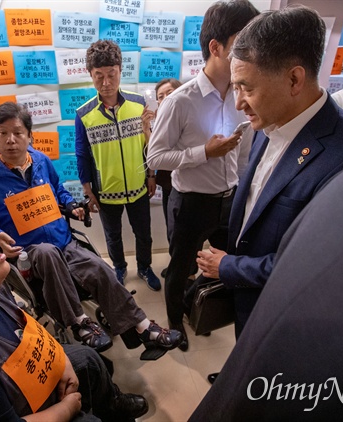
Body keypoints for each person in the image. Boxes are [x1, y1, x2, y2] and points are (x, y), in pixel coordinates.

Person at [196, 5, 343, 382]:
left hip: (290, 320)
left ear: (294, 80)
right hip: (253, 306)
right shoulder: (273, 121)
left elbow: (318, 268)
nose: (238, 102)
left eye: (247, 88)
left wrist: (228, 266)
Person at [190, 153, 343, 421]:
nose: (239, 107)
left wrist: (229, 267)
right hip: (253, 314)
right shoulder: (264, 136)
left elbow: (307, 260)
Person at [0, 101, 182, 356]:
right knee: (46, 252)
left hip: (62, 240)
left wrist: (70, 204)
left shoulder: (41, 160)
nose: (10, 140)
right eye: (2, 134)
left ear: (30, 136)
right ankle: (78, 322)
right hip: (27, 251)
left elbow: (59, 190)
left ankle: (142, 327)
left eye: (18, 133)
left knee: (99, 268)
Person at [0, 206, 151, 422]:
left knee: (87, 358)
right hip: (34, 409)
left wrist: (61, 361)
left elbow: (31, 332)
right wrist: (65, 409)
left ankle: (113, 401)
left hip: (39, 369)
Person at [146, 0, 260, 352]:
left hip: (230, 200)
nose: (254, 51)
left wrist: (243, 191)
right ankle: (175, 322)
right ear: (216, 47)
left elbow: (243, 153)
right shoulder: (181, 100)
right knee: (179, 269)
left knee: (224, 265)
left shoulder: (244, 92)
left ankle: (201, 309)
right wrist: (203, 153)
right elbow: (156, 157)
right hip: (192, 201)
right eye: (245, 41)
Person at [75, 39, 161, 291]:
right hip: (105, 189)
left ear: (120, 70)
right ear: (90, 75)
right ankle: (120, 267)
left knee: (143, 233)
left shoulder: (138, 105)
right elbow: (82, 153)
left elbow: (149, 145)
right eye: (98, 76)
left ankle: (145, 267)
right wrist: (87, 189)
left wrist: (152, 174)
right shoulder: (84, 114)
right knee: (112, 235)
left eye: (111, 74)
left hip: (138, 185)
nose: (106, 82)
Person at [141, 78, 182, 279]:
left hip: (189, 187)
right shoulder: (161, 123)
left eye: (170, 93)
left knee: (184, 233)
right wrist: (147, 129)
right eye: (161, 97)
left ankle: (185, 271)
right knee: (172, 230)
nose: (166, 98)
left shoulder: (188, 116)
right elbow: (154, 157)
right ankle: (178, 265)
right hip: (168, 185)